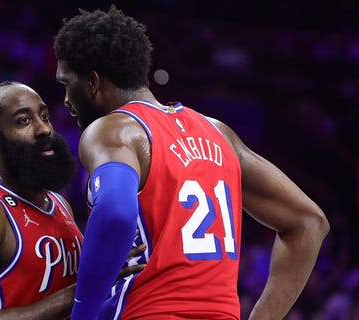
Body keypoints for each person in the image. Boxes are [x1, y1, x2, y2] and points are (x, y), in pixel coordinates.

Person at [53, 6, 330, 320]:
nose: (65, 99)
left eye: (66, 84)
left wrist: (81, 314)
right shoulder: (219, 133)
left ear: (93, 82)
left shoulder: (112, 130)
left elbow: (115, 212)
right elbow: (308, 222)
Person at [0, 81, 144, 319]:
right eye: (24, 121)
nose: (44, 129)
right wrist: (85, 288)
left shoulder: (60, 205)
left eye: (45, 116)